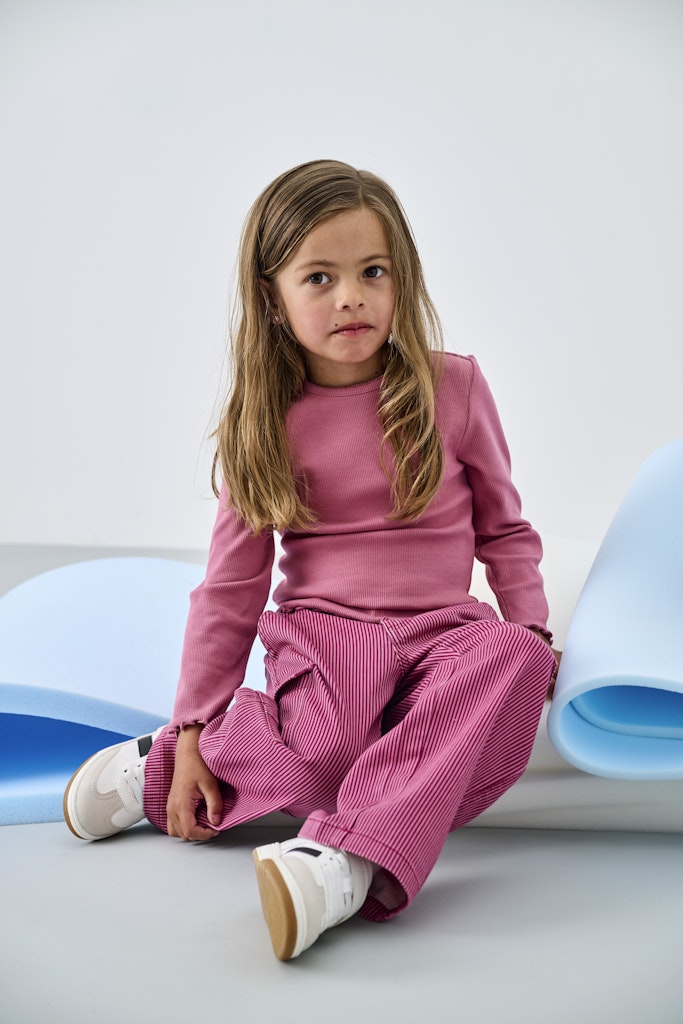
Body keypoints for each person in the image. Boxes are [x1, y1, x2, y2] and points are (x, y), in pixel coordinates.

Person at [63, 159, 558, 961]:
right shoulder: (266, 419)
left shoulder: (453, 387)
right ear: (273, 298)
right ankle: (163, 768)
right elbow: (231, 587)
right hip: (326, 637)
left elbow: (504, 530)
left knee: (515, 655)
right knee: (331, 765)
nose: (350, 297)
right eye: (319, 278)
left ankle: (344, 865)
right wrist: (191, 726)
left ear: (401, 279)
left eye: (372, 272)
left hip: (444, 632)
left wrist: (529, 622)